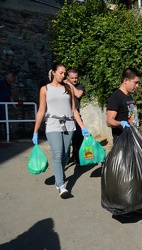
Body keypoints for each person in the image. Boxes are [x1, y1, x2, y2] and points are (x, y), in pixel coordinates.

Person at [32, 63, 90, 198]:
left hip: (69, 125)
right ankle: (61, 185)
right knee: (57, 154)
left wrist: (83, 127)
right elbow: (41, 111)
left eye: (64, 73)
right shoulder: (45, 89)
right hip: (52, 124)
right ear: (53, 72)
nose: (63, 75)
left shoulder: (68, 88)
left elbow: (74, 110)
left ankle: (59, 173)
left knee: (65, 154)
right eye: (61, 73)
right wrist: (35, 131)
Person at [106, 67, 142, 217]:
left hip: (133, 139)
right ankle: (124, 207)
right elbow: (109, 121)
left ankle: (135, 204)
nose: (137, 85)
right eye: (136, 82)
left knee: (135, 174)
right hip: (122, 141)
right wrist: (121, 124)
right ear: (126, 80)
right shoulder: (116, 97)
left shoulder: (128, 97)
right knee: (127, 176)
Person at [64, 68, 86, 166]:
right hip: (65, 117)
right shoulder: (63, 86)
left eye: (76, 78)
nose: (74, 80)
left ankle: (77, 158)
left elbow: (78, 94)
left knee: (78, 139)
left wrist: (69, 84)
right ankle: (67, 158)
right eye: (72, 78)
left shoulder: (80, 86)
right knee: (66, 141)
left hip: (76, 117)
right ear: (68, 77)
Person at [0, 72, 16, 139]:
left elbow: (9, 96)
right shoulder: (1, 83)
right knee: (5, 119)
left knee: (2, 119)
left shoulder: (8, 86)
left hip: (5, 105)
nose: (13, 79)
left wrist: (14, 105)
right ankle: (9, 135)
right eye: (12, 77)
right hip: (1, 104)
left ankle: (8, 134)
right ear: (7, 78)